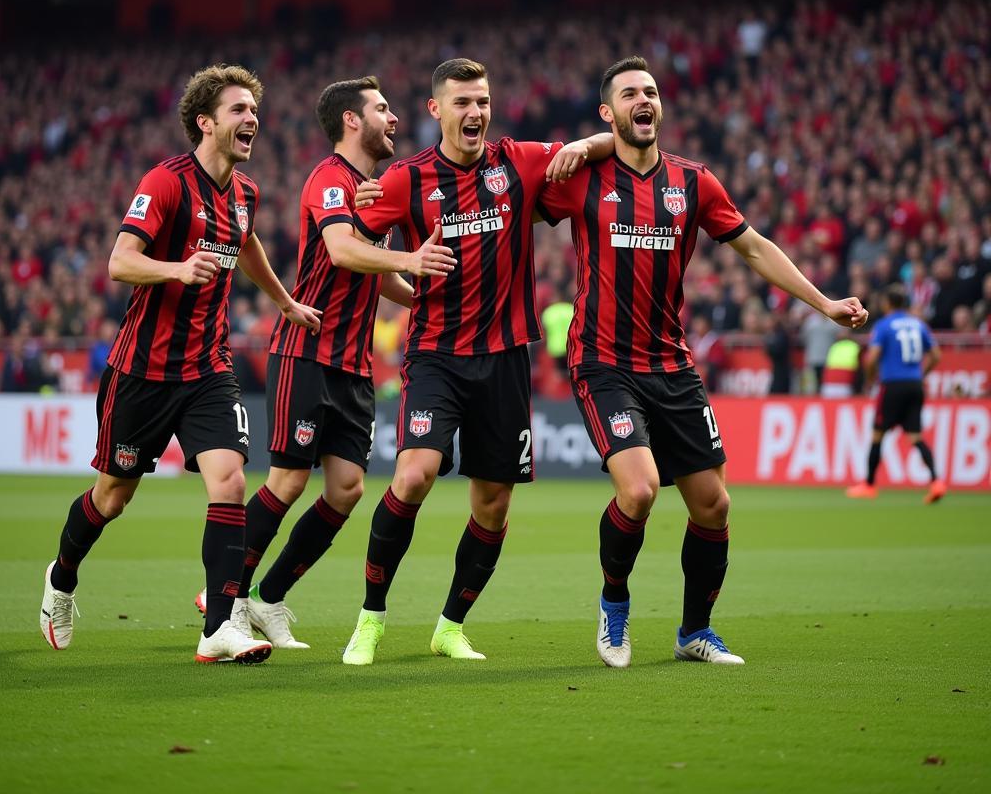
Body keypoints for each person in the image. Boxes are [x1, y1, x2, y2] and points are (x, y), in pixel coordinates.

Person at [537, 56, 868, 669]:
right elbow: (504, 214)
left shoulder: (694, 182)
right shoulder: (583, 176)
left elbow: (754, 248)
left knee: (714, 505)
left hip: (672, 365)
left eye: (652, 92)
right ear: (608, 113)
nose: (645, 100)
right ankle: (613, 603)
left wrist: (822, 303)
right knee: (639, 490)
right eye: (630, 94)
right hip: (603, 362)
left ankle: (695, 631)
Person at [40, 64, 322, 664]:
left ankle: (219, 626)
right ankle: (61, 578)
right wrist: (175, 269)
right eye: (239, 110)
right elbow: (120, 261)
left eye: (254, 109)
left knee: (230, 479)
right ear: (206, 121)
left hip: (207, 370)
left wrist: (286, 302)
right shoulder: (166, 182)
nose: (252, 119)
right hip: (141, 372)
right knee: (112, 498)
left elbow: (246, 246)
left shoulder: (243, 193)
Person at [339, 57, 613, 664]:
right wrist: (404, 264)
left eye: (483, 101)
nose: (475, 113)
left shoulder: (517, 160)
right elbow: (344, 246)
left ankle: (451, 625)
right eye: (462, 102)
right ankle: (370, 617)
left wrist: (585, 143)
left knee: (492, 503)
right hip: (436, 353)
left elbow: (613, 143)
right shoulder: (407, 180)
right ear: (436, 110)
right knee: (413, 475)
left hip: (507, 360)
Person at [194, 76, 456, 648]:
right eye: (382, 109)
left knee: (346, 489)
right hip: (306, 351)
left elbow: (380, 273)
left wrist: (432, 296)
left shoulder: (376, 187)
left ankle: (268, 597)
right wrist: (413, 255)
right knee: (287, 480)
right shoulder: (328, 180)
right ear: (352, 121)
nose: (394, 118)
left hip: (354, 364)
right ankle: (227, 598)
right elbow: (341, 249)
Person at [846, 284, 944, 503]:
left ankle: (869, 485)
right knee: (916, 437)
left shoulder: (884, 326)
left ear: (887, 303)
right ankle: (937, 482)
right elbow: (936, 355)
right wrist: (921, 374)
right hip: (915, 385)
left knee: (877, 435)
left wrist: (871, 378)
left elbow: (872, 357)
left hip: (892, 385)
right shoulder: (918, 325)